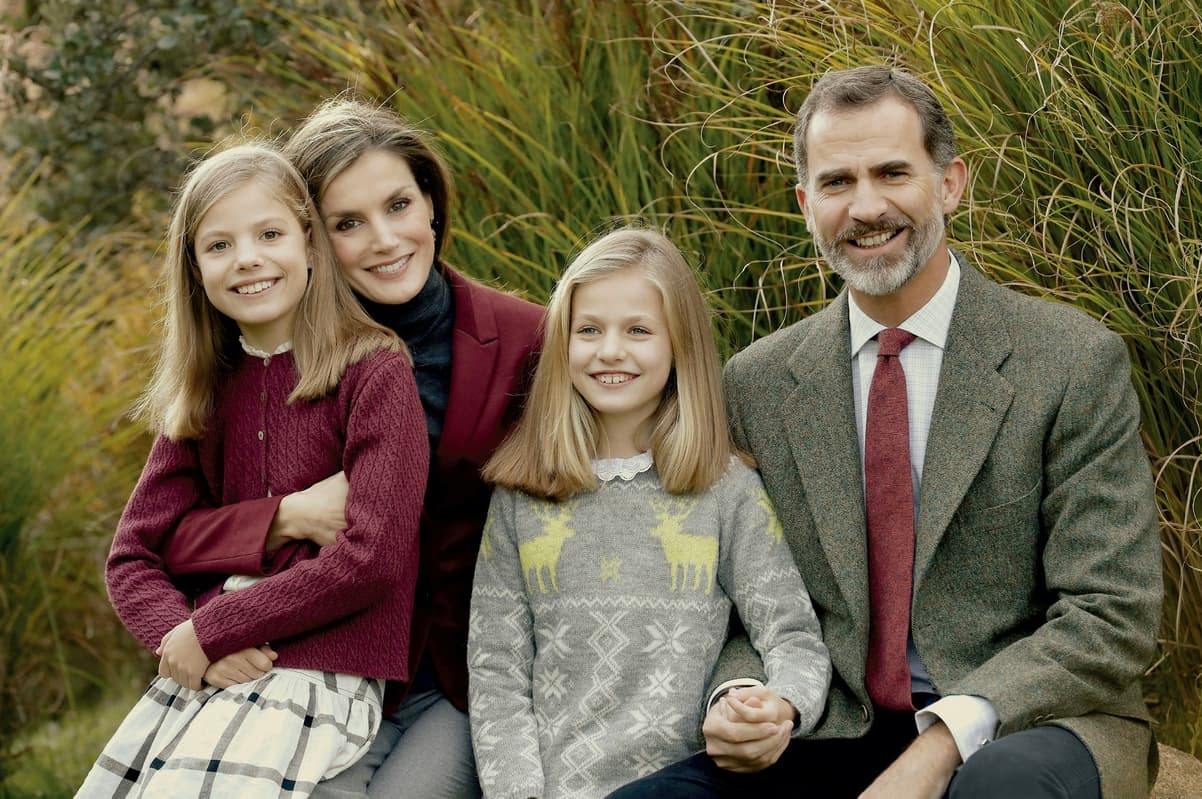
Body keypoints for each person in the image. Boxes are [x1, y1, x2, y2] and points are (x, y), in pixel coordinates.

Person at [609, 66, 1162, 799]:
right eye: (837, 183)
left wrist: (939, 747)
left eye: (893, 172)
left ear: (951, 183)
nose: (866, 206)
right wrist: (740, 695)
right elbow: (742, 601)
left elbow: (1111, 612)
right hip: (831, 719)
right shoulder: (758, 382)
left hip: (1033, 723)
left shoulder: (1070, 361)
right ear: (807, 205)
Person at [156, 98, 544, 799]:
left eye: (399, 204)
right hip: (311, 668)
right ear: (310, 236)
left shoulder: (528, 340)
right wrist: (283, 516)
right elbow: (163, 534)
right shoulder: (266, 360)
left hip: (462, 675)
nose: (385, 239)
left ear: (431, 202)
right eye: (348, 224)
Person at [77, 143, 428, 797]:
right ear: (195, 269)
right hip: (221, 671)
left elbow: (370, 560)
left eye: (269, 233)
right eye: (219, 245)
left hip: (323, 674)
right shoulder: (206, 392)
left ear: (310, 244)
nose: (247, 258)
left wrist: (209, 628)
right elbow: (132, 557)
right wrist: (186, 643)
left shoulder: (374, 372)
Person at [467, 226, 831, 799]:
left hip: (684, 783)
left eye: (638, 330)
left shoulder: (725, 487)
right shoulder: (522, 496)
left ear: (679, 345)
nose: (610, 350)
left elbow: (791, 634)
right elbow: (496, 674)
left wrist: (779, 704)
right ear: (563, 343)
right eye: (588, 330)